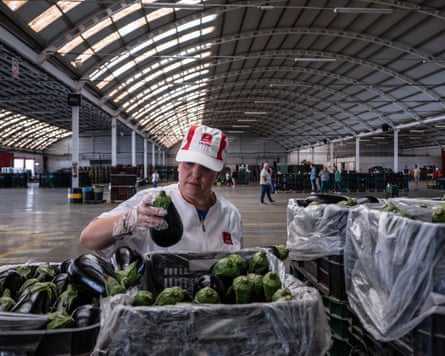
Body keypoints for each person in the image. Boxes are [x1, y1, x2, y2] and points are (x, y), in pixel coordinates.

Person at [79, 125, 244, 259]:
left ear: (218, 174)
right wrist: (132, 218)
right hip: (163, 298)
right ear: (178, 164)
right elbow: (88, 238)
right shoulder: (151, 203)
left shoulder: (230, 215)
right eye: (188, 164)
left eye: (206, 168)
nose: (195, 174)